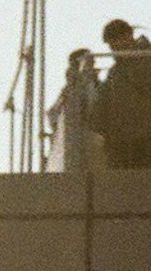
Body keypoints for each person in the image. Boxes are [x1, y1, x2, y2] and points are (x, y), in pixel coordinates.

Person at [105, 21, 151, 174]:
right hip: (123, 140)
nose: (113, 49)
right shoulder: (116, 71)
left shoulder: (144, 60)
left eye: (115, 42)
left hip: (143, 138)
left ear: (128, 36)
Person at [55, 46, 108, 173]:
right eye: (89, 62)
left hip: (97, 135)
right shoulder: (70, 90)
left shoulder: (98, 86)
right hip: (79, 139)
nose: (93, 66)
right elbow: (57, 113)